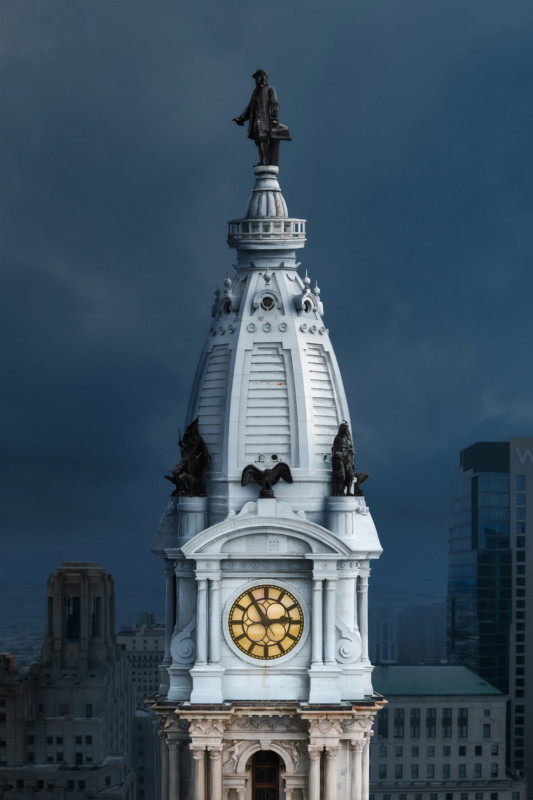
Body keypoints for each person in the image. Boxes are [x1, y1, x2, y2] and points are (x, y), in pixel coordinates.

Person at [233, 69, 290, 166]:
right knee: (258, 143)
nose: (256, 80)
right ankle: (261, 161)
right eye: (255, 78)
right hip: (255, 120)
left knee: (263, 141)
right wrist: (241, 118)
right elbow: (250, 107)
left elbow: (274, 104)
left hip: (264, 120)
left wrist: (274, 117)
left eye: (257, 77)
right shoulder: (255, 91)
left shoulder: (270, 89)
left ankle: (267, 162)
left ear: (263, 77)